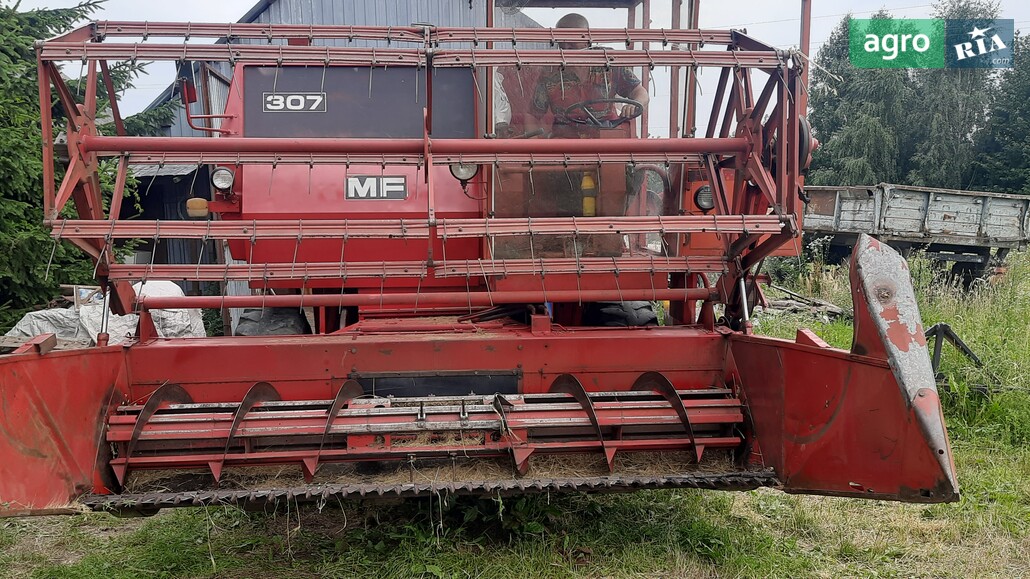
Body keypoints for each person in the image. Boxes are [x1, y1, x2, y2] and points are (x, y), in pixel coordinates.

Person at [526, 13, 650, 138]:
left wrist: (634, 104)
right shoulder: (549, 73)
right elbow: (532, 114)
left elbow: (640, 93)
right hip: (565, 143)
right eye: (561, 41)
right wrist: (533, 141)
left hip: (607, 137)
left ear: (587, 40)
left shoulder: (609, 63)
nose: (566, 46)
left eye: (572, 41)